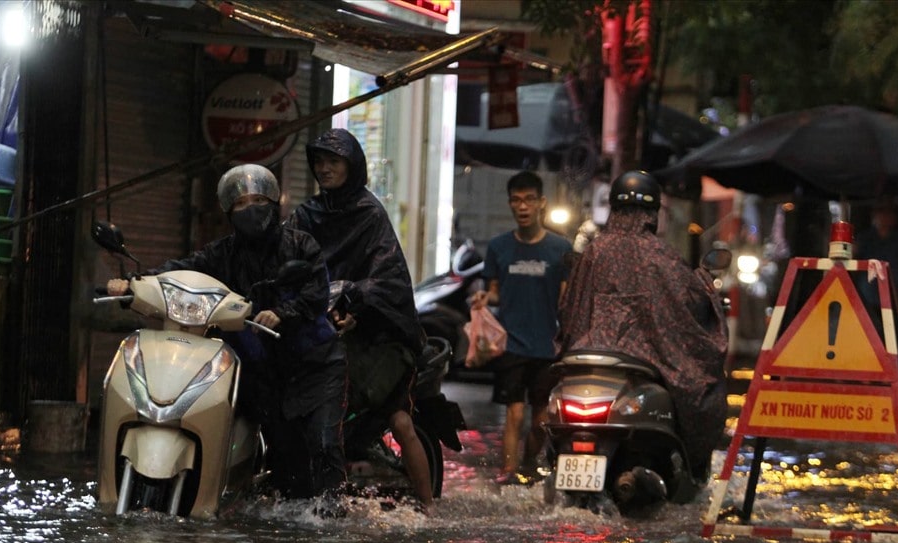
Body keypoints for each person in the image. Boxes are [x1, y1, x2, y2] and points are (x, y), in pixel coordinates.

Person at [108, 164, 348, 502]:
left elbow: (315, 291)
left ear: (273, 201)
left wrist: (282, 313)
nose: (250, 209)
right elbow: (180, 270)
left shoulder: (299, 244)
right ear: (228, 212)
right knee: (286, 464)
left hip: (313, 367)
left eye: (258, 199)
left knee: (323, 446)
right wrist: (135, 283)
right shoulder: (221, 254)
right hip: (264, 373)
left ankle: (333, 523)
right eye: (240, 203)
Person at [287, 128, 434, 512]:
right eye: (319, 162)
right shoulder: (306, 215)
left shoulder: (370, 215)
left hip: (376, 337)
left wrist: (357, 301)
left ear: (352, 167)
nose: (324, 169)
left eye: (333, 162)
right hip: (316, 327)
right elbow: (286, 261)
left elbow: (390, 280)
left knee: (400, 420)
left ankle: (429, 506)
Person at [557, 170, 728, 479]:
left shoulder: (594, 252)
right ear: (652, 213)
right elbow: (688, 305)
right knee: (703, 389)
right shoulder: (660, 256)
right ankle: (689, 471)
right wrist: (708, 293)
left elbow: (569, 310)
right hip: (648, 359)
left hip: (587, 356)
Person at [470, 170, 572, 484]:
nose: (522, 206)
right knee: (514, 414)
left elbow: (566, 299)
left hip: (547, 345)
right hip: (511, 343)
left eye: (529, 199)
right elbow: (495, 291)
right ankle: (508, 475)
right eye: (516, 200)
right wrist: (485, 297)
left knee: (541, 419)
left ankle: (528, 465)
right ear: (510, 204)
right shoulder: (499, 247)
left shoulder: (560, 249)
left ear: (541, 203)